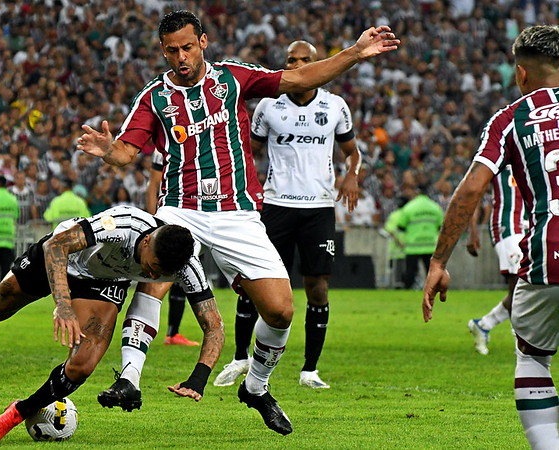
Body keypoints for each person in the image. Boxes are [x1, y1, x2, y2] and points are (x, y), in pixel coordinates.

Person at [77, 9, 398, 435]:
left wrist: (355, 53)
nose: (181, 57)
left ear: (203, 42)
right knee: (156, 277)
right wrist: (107, 150)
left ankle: (256, 386)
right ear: (162, 51)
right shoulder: (153, 97)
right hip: (180, 208)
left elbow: (300, 80)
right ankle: (129, 379)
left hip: (237, 213)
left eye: (188, 47)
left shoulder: (233, 78)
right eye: (172, 50)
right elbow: (126, 153)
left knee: (281, 310)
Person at [0, 206, 223, 444]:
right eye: (153, 268)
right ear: (148, 242)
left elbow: (213, 326)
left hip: (104, 282)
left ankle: (15, 414)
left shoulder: (184, 266)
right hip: (61, 255)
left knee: (82, 366)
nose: (153, 277)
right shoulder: (121, 224)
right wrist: (62, 305)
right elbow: (57, 246)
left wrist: (199, 377)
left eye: (161, 274)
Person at [422, 25, 559, 449]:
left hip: (546, 255)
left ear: (520, 74)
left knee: (533, 358)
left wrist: (439, 262)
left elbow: (472, 188)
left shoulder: (511, 118)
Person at [213, 40, 362, 390]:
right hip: (277, 205)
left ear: (316, 63)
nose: (297, 65)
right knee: (254, 285)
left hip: (319, 208)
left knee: (318, 288)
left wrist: (352, 174)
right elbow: (246, 151)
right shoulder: (268, 106)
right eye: (291, 60)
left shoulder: (336, 106)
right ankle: (239, 358)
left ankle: (310, 369)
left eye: (304, 60)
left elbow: (352, 152)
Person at [465, 165, 524, 355]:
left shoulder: (536, 148)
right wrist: (472, 229)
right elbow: (475, 189)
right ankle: (521, 343)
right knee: (521, 286)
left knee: (529, 288)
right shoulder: (499, 150)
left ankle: (483, 325)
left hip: (531, 225)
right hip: (507, 225)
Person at [147, 149, 199, 347]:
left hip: (193, 215)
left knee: (180, 273)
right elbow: (153, 184)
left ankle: (172, 333)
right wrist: (154, 219)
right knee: (160, 278)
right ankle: (141, 329)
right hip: (171, 214)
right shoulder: (163, 149)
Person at [394, 186, 444, 289]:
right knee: (431, 271)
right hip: (430, 245)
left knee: (410, 271)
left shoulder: (409, 207)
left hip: (413, 245)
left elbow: (401, 226)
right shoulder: (435, 207)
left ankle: (408, 289)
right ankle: (433, 289)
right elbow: (441, 226)